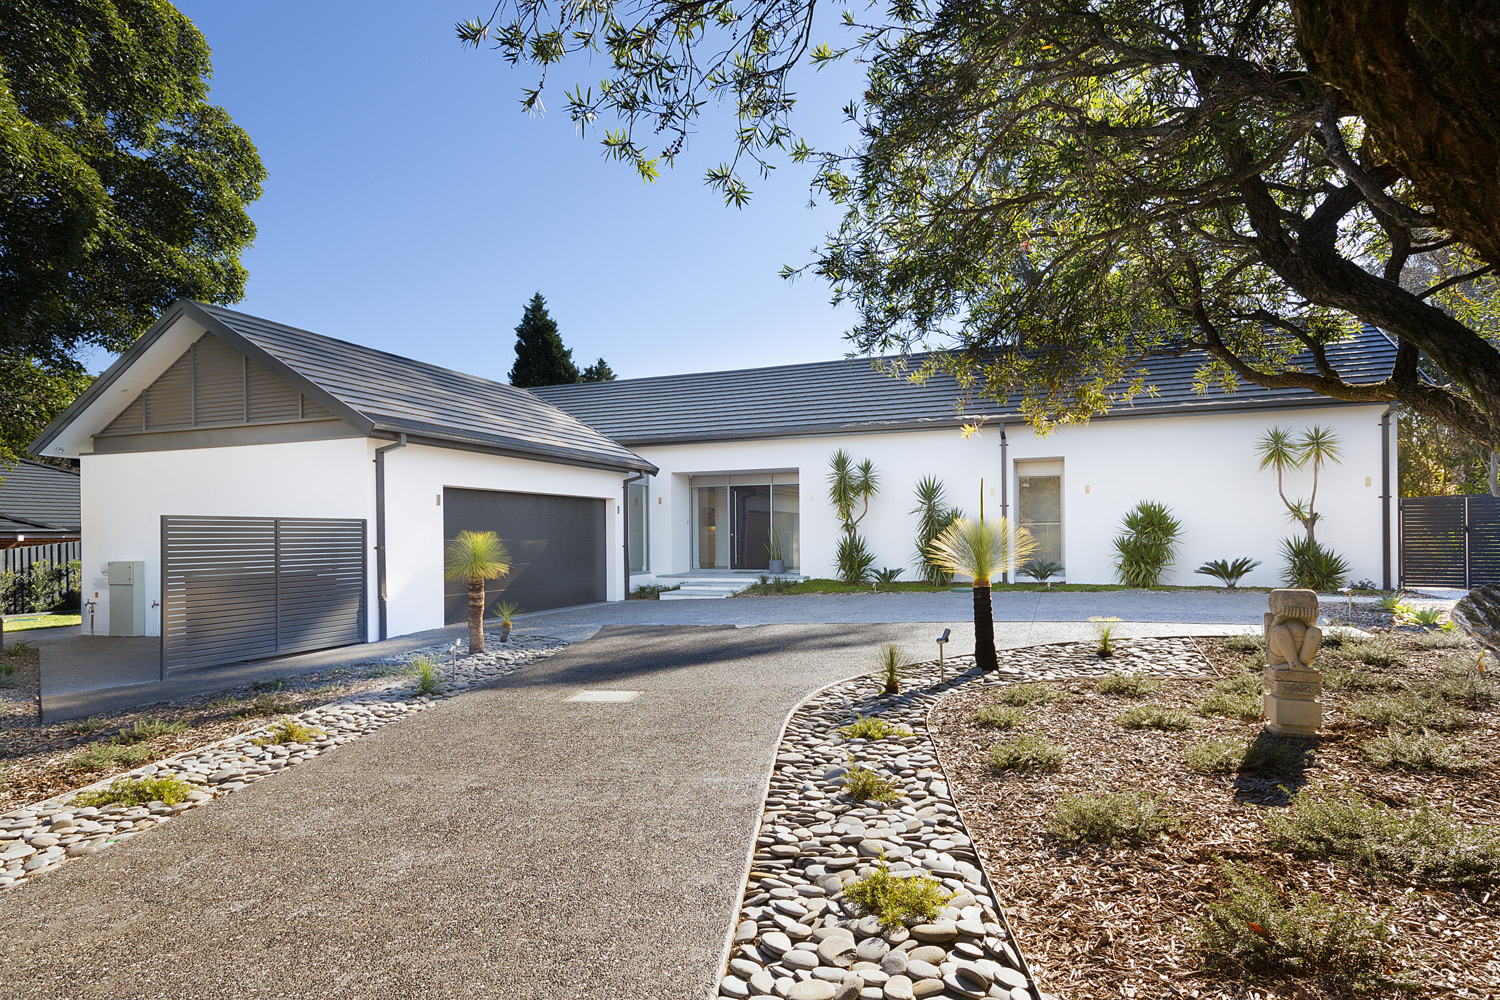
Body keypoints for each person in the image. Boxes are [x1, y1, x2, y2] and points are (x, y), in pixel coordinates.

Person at [1264, 589, 1322, 671]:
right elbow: (1267, 644)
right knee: (1279, 630)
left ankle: (1298, 665)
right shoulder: (1270, 617)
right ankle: (1294, 664)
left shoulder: (1306, 614)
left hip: (1304, 659)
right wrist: (1278, 620)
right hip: (1278, 657)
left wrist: (1310, 621)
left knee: (1316, 631)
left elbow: (1312, 631)